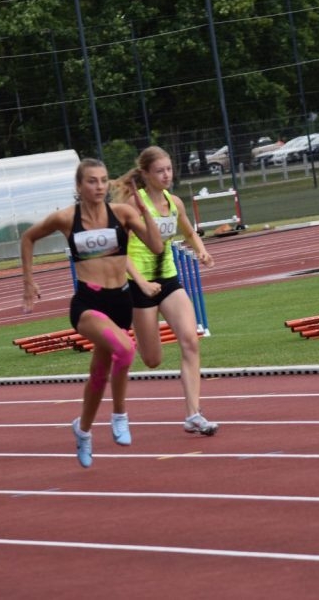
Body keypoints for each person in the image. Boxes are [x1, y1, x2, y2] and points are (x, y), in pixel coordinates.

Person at [20, 158, 163, 468]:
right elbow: (28, 237)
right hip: (88, 303)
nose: (99, 186)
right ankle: (120, 415)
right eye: (91, 181)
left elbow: (156, 246)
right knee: (125, 352)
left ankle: (83, 431)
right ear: (79, 186)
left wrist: (144, 210)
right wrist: (29, 281)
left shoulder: (122, 214)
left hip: (120, 302)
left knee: (98, 376)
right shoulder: (64, 218)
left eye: (103, 180)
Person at [114, 146, 219, 436]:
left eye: (169, 169)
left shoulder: (174, 203)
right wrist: (141, 282)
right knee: (152, 360)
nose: (166, 175)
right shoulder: (135, 206)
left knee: (190, 341)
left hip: (169, 280)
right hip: (139, 285)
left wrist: (202, 251)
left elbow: (188, 230)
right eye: (159, 171)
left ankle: (193, 414)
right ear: (146, 174)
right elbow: (118, 250)